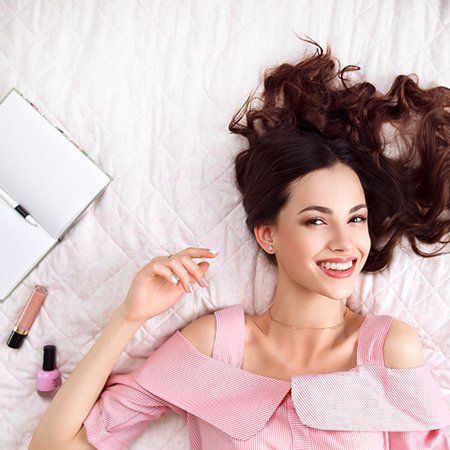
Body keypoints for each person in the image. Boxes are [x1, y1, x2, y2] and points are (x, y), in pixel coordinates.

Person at [30, 36, 450, 449]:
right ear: (268, 235)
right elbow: (53, 446)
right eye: (316, 221)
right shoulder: (215, 346)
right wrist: (128, 317)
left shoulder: (389, 349)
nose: (345, 242)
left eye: (356, 219)